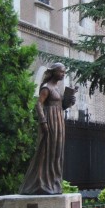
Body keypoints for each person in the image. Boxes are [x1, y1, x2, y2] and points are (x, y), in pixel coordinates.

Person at [20, 63, 75, 195]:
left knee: (57, 151)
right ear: (53, 72)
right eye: (61, 72)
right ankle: (42, 182)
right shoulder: (46, 87)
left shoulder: (57, 88)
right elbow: (39, 104)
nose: (63, 74)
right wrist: (43, 121)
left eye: (64, 72)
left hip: (58, 121)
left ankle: (54, 182)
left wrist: (70, 101)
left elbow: (61, 106)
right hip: (50, 120)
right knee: (47, 150)